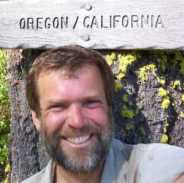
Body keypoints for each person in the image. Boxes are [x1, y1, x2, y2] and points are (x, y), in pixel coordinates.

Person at [23, 45, 184, 183]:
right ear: (36, 118)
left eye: (90, 103)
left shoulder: (154, 168)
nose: (77, 121)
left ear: (109, 106)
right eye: (58, 107)